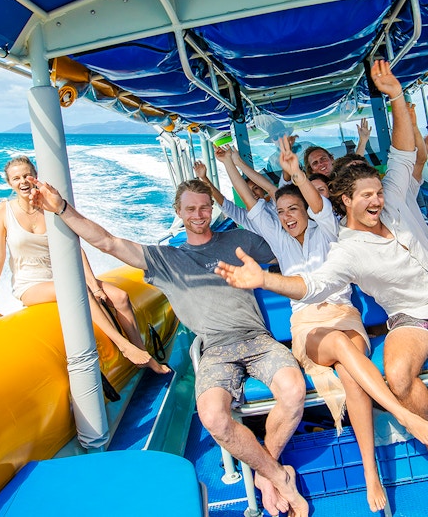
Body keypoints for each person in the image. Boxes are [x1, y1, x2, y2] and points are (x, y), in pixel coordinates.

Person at [28, 174, 309, 517]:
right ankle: (278, 475)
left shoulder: (240, 240)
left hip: (258, 340)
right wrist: (62, 208)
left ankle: (267, 475)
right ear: (178, 211)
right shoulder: (165, 259)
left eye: (205, 207)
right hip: (216, 351)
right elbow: (108, 242)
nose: (199, 213)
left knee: (294, 392)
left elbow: (291, 245)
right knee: (213, 417)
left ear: (211, 208)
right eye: (190, 208)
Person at [216, 60, 428, 436]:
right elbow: (310, 285)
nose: (376, 201)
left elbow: (404, 153)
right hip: (410, 318)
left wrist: (396, 95)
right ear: (345, 200)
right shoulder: (344, 248)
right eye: (366, 196)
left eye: (377, 193)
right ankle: (413, 420)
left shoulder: (394, 197)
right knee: (396, 374)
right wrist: (264, 278)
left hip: (350, 316)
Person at [213, 134, 413, 512]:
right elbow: (252, 205)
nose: (286, 217)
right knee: (339, 346)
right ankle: (399, 412)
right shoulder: (278, 236)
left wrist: (296, 176)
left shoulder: (332, 231)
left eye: (293, 209)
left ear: (307, 208)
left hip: (346, 317)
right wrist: (229, 165)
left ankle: (371, 471)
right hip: (309, 327)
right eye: (282, 211)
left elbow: (321, 207)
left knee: (352, 373)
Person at [0, 155, 169, 374]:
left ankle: (143, 355)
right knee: (74, 287)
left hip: (63, 275)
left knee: (120, 297)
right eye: (16, 178)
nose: (23, 181)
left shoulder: (48, 206)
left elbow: (74, 249)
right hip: (30, 284)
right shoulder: (4, 211)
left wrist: (95, 285)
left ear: (35, 177)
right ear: (9, 183)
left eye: (27, 175)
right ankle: (123, 346)